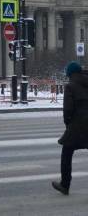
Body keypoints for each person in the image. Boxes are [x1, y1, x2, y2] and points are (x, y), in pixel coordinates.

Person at [52, 61, 88, 195]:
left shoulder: (70, 86)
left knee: (66, 153)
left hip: (77, 127)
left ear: (70, 74)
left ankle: (65, 185)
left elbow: (68, 109)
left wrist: (68, 123)